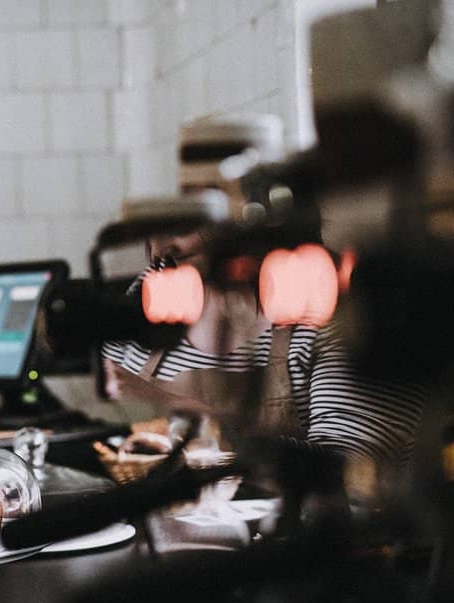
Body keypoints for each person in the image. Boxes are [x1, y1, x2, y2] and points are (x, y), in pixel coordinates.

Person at [101, 115, 424, 500]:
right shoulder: (165, 292)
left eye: (189, 226)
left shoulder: (338, 311)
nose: (162, 252)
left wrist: (192, 411)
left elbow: (350, 474)